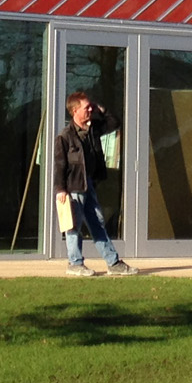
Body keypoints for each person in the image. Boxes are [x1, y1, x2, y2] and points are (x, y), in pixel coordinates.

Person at [55, 90, 135, 276]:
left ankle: (113, 263)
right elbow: (59, 165)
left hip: (88, 184)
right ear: (75, 111)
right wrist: (60, 189)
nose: (90, 109)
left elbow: (115, 122)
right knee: (73, 226)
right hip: (73, 188)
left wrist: (102, 108)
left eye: (90, 106)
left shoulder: (93, 128)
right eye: (86, 107)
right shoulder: (65, 137)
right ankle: (75, 264)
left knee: (97, 223)